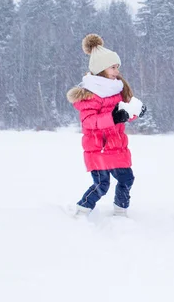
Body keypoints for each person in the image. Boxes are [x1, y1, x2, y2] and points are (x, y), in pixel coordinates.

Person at [66, 34, 146, 217]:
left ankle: (120, 210)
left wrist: (134, 112)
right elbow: (88, 121)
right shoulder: (90, 94)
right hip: (98, 148)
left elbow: (123, 113)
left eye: (117, 66)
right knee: (102, 185)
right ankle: (82, 209)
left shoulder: (117, 89)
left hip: (117, 147)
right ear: (101, 69)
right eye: (113, 67)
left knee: (127, 178)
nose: (117, 70)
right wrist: (113, 118)